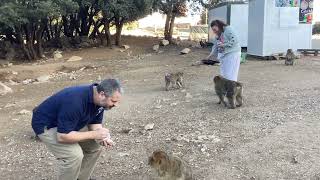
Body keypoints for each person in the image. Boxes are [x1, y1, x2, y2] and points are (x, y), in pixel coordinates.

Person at [31, 79, 122, 180]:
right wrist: (94, 135)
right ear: (102, 94)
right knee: (74, 155)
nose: (116, 105)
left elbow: (95, 123)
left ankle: (81, 177)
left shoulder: (100, 102)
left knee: (94, 146)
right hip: (47, 125)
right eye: (113, 101)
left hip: (69, 124)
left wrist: (102, 137)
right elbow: (62, 136)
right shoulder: (75, 101)